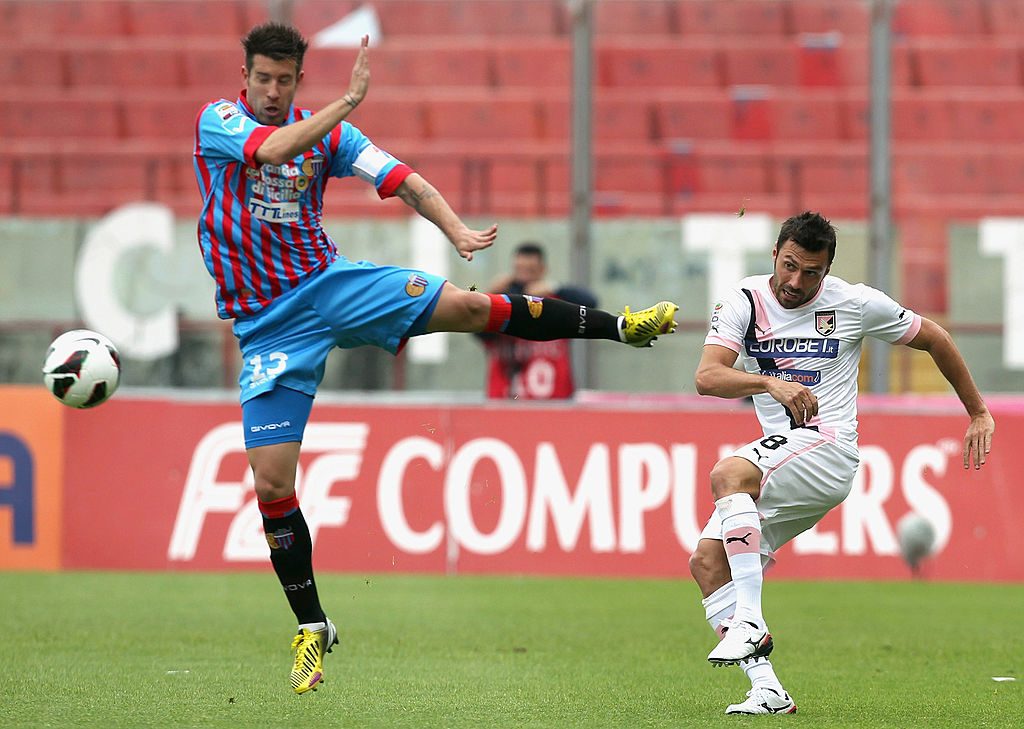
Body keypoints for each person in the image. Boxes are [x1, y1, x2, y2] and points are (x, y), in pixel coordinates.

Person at [192, 22, 679, 694]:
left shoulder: (330, 136)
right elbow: (271, 149)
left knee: (473, 307)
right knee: (272, 484)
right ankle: (312, 626)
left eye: (283, 80)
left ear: (299, 80)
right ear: (243, 77)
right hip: (268, 326)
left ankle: (622, 327)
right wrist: (346, 103)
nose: (271, 91)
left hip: (329, 285)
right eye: (262, 78)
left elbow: (402, 179)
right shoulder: (218, 121)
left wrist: (456, 229)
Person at [689, 211, 994, 715]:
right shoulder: (744, 300)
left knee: (728, 474)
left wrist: (978, 412)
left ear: (827, 270)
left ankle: (749, 621)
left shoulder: (854, 303)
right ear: (775, 254)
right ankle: (768, 690)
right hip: (785, 455)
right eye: (789, 266)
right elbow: (707, 376)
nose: (796, 282)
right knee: (707, 562)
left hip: (828, 449)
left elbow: (935, 338)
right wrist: (769, 383)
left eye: (811, 272)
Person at [480, 242, 598, 400]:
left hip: (554, 400)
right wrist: (489, 295)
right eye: (519, 271)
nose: (524, 279)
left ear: (542, 270)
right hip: (505, 401)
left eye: (530, 270)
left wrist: (554, 287)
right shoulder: (501, 303)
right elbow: (476, 328)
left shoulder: (555, 302)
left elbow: (590, 303)